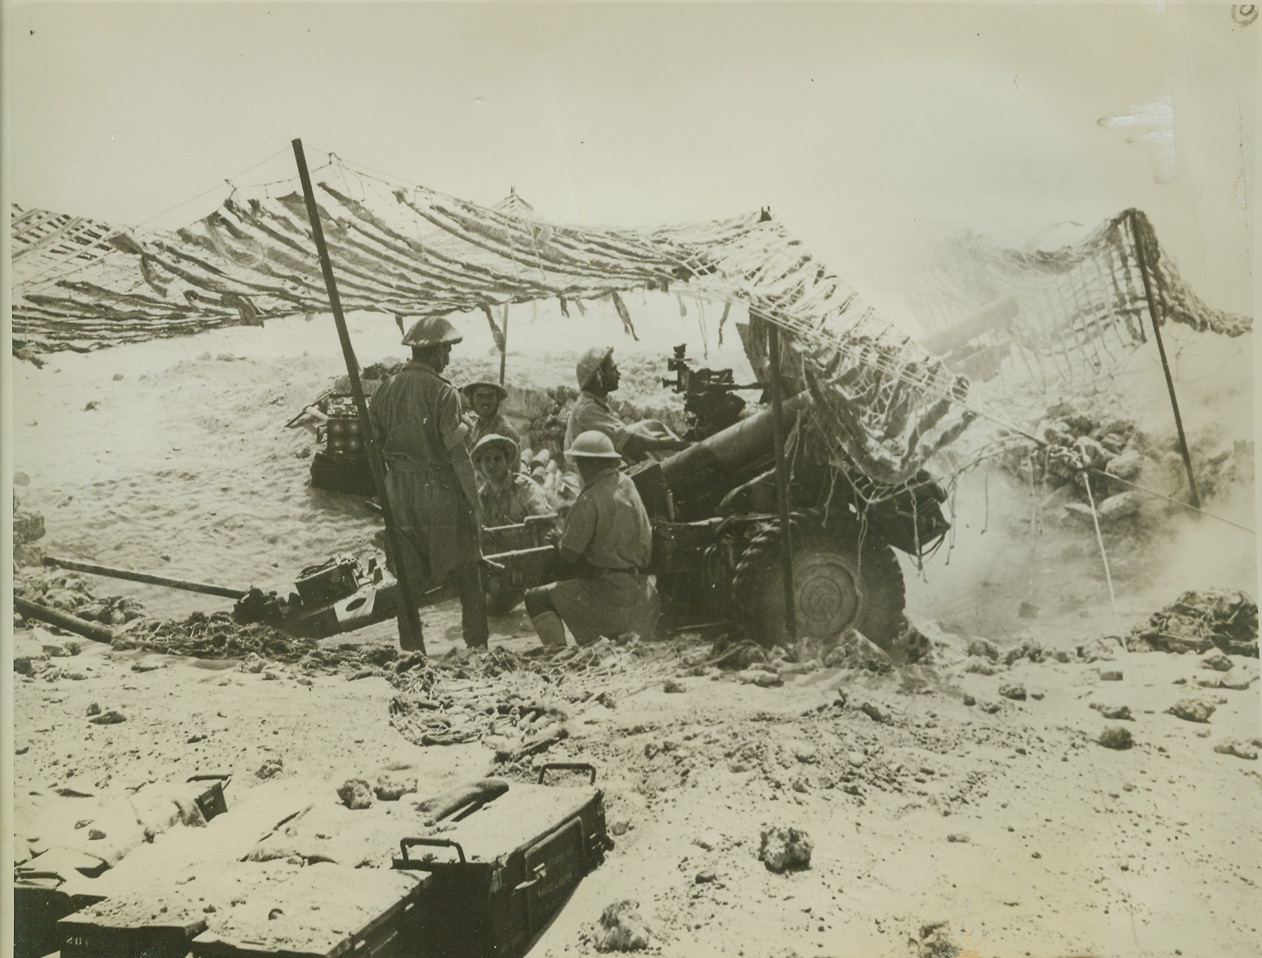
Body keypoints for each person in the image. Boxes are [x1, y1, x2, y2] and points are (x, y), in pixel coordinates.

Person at [369, 317, 489, 650]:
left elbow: (372, 445)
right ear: (435, 353)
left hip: (399, 493)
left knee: (407, 581)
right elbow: (459, 455)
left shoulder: (384, 389)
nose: (449, 358)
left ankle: (412, 652)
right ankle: (478, 648)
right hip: (438, 491)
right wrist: (475, 507)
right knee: (468, 567)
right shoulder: (442, 391)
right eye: (447, 351)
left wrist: (389, 487)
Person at [524, 430, 660, 648]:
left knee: (535, 598)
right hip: (640, 595)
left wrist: (558, 540)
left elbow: (568, 554)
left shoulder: (589, 499)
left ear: (586, 465)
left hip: (610, 598)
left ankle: (558, 654)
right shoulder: (627, 484)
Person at [472, 433, 557, 616]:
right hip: (504, 566)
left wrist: (526, 525)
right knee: (492, 610)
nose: (492, 465)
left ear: (507, 461)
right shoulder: (481, 497)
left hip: (532, 560)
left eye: (497, 459)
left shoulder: (524, 487)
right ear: (480, 465)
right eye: (487, 460)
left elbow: (545, 517)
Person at [565, 346, 687, 463]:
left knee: (651, 426)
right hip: (591, 474)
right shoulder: (587, 410)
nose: (619, 374)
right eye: (613, 369)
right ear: (599, 376)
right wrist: (673, 444)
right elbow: (630, 442)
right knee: (639, 442)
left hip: (597, 465)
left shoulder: (592, 403)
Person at [461, 380, 522, 449]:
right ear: (473, 399)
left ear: (497, 399)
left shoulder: (505, 432)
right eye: (480, 396)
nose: (485, 401)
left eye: (490, 396)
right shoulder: (476, 427)